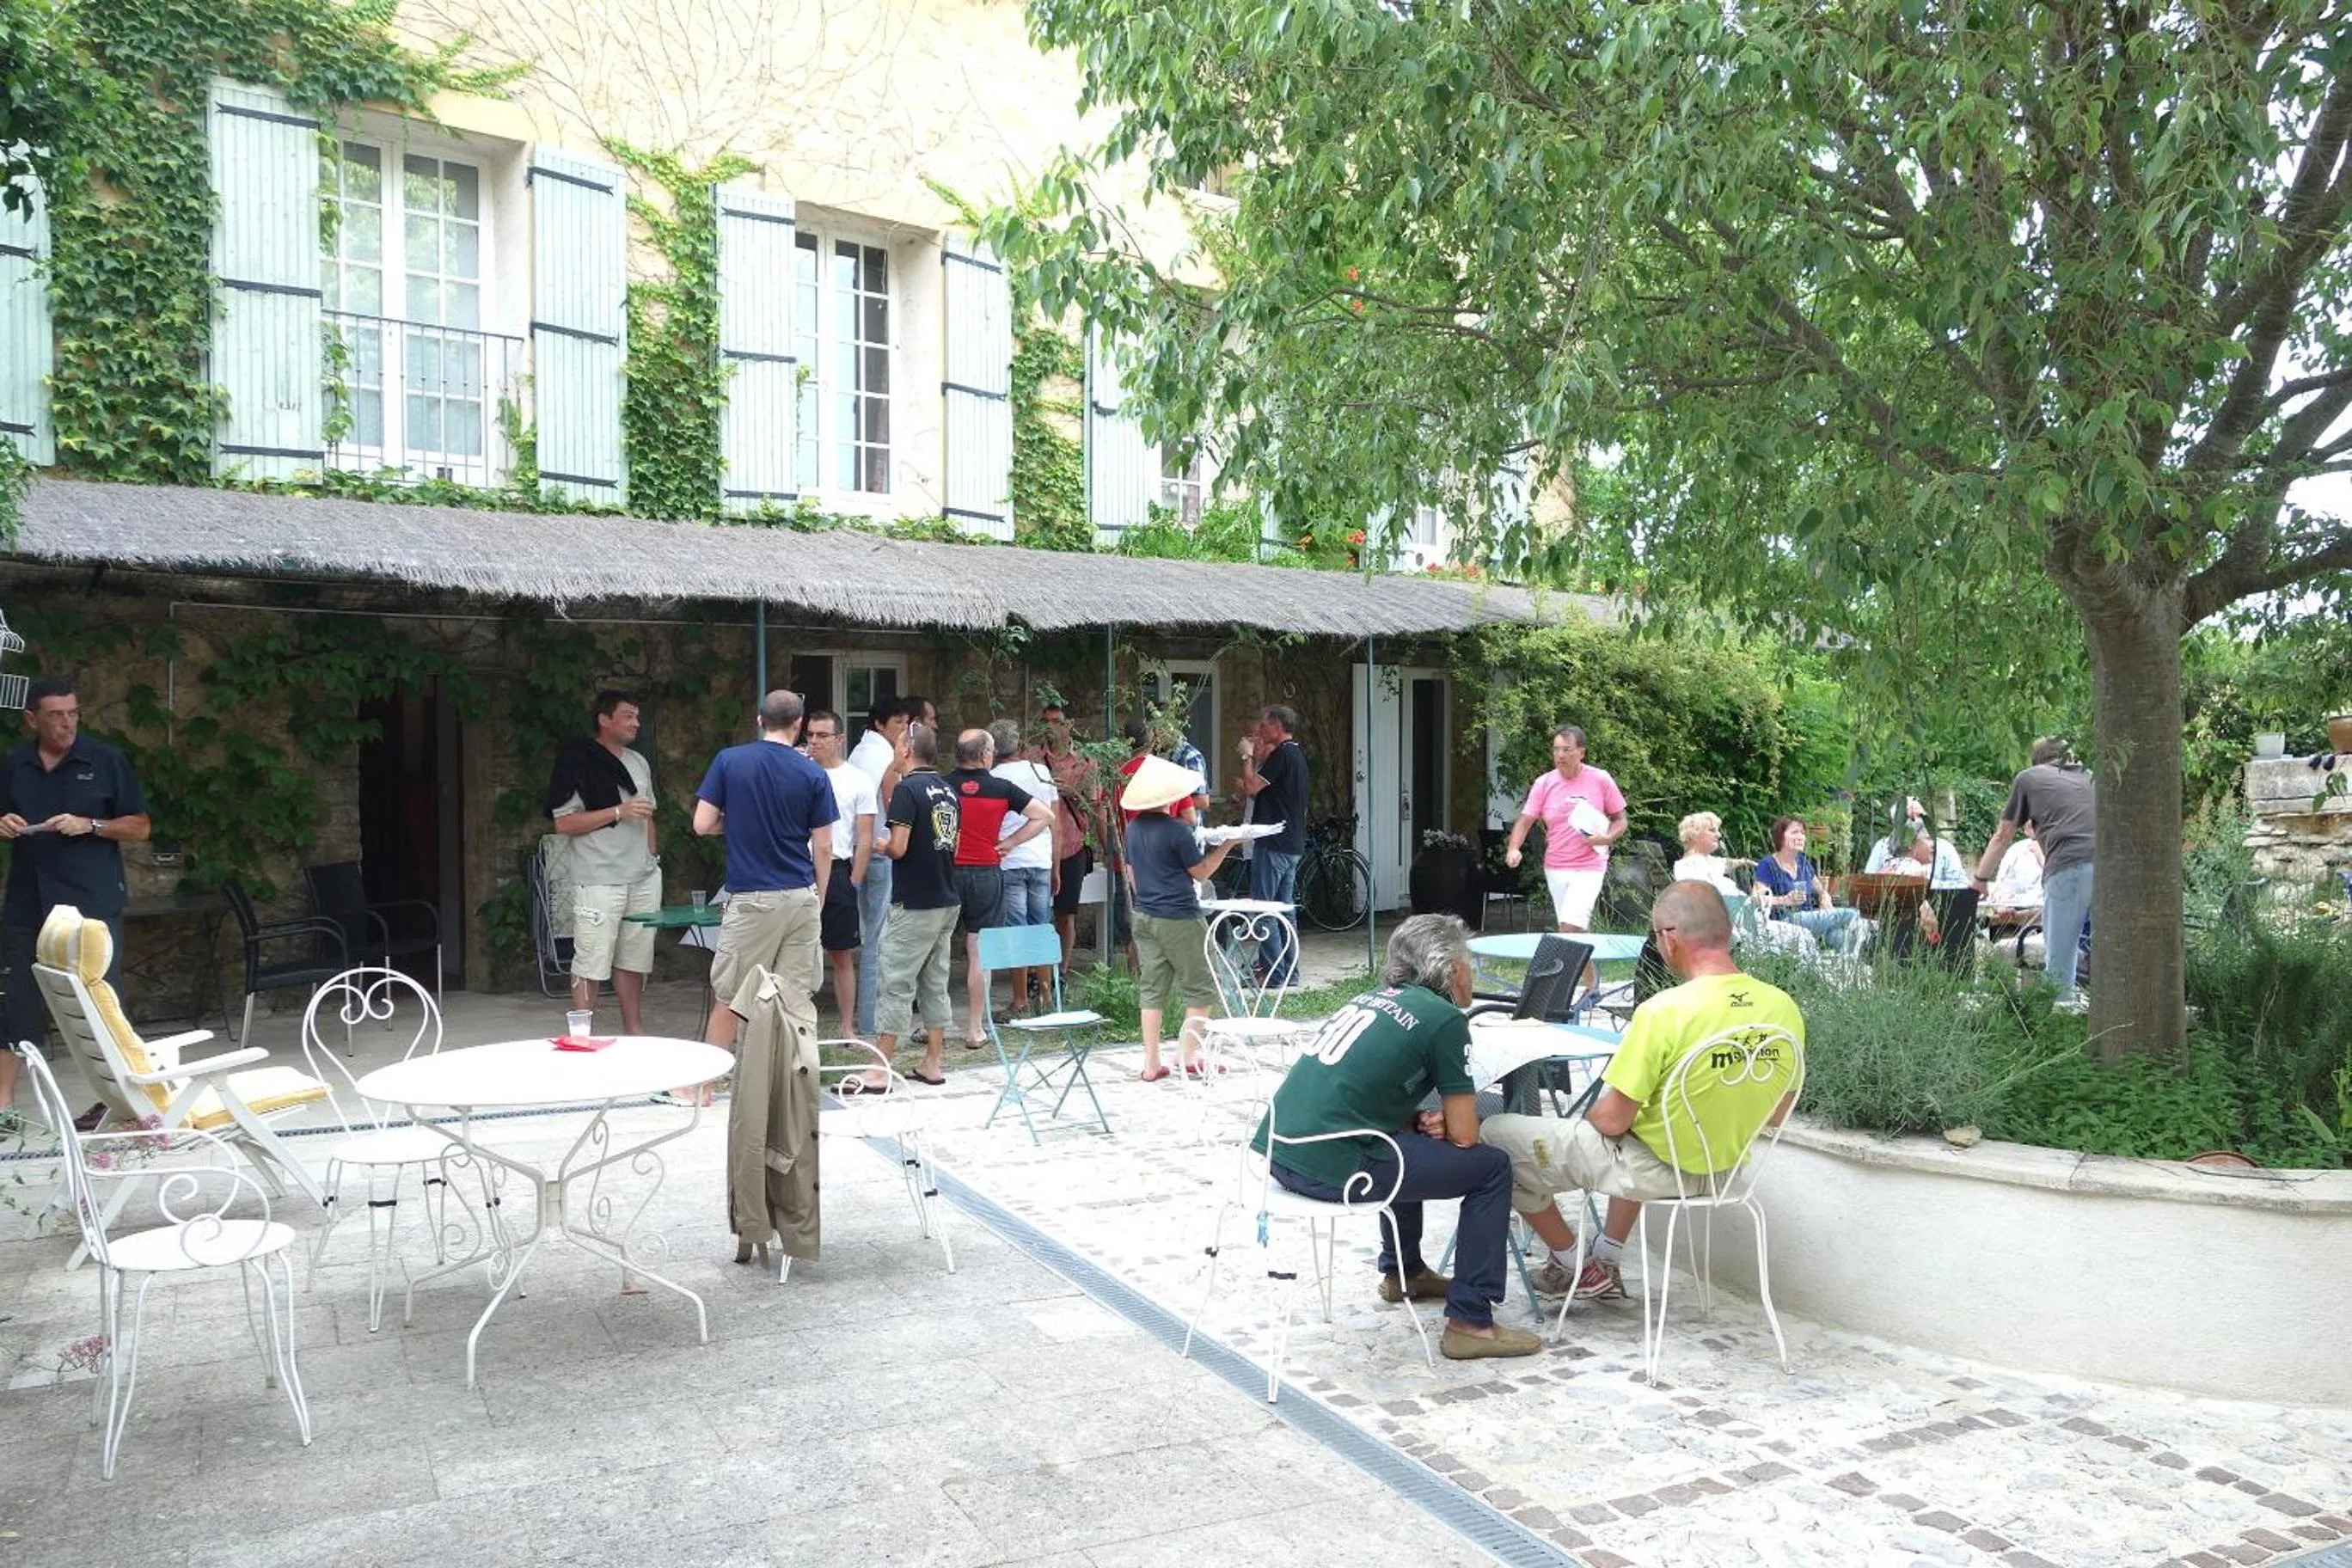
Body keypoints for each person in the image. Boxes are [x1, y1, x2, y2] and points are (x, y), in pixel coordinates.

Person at [1482, 880, 1805, 1302]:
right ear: (1725, 933)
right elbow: (1777, 1117)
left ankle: (1570, 1262)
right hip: (1725, 1172)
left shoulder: (1664, 1011)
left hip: (1651, 1172)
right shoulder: (1783, 1007)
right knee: (1643, 1125)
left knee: (1493, 1136)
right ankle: (1606, 1257)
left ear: (1669, 938)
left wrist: (1597, 1118)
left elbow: (1612, 1119)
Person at [1255, 914, 1540, 1360]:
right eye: (1468, 961)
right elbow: (1467, 1138)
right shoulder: (1444, 1018)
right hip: (1337, 1169)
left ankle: (1404, 1273)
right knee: (1492, 1169)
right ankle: (1470, 1321)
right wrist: (1450, 1123)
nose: (1471, 971)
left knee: (1408, 1148)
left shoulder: (1370, 999)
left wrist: (1423, 1122)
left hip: (1283, 1153)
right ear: (1452, 969)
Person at [0, 679, 150, 1124]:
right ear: (32, 719)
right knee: (13, 1000)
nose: (67, 723)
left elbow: (140, 826)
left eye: (73, 714)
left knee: (101, 1000)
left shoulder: (104, 760)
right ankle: (4, 1104)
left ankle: (118, 1100)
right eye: (56, 715)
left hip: (90, 901)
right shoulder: (15, 765)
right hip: (29, 899)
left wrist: (90, 825)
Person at [693, 691, 836, 1061]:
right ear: (799, 725)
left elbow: (702, 823)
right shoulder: (813, 772)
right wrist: (819, 895)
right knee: (793, 999)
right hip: (801, 895)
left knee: (731, 995)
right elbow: (823, 846)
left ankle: (702, 1089)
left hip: (753, 897)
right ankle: (787, 1087)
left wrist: (739, 823)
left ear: (759, 720)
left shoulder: (729, 761)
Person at [545, 690, 660, 1035]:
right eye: (628, 716)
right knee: (591, 961)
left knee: (634, 960)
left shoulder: (639, 762)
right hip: (599, 878)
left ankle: (634, 1030)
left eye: (637, 717)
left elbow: (649, 814)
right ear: (604, 719)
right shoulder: (577, 760)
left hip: (643, 876)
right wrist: (617, 812)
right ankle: (583, 1037)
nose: (636, 724)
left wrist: (653, 859)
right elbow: (564, 824)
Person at [1121, 756, 1239, 1080]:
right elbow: (1201, 874)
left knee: (1152, 989)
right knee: (1202, 987)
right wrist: (1228, 844)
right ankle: (1188, 1056)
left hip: (1144, 914)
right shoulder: (1177, 831)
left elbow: (1132, 875)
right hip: (1179, 916)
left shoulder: (1132, 829)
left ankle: (1151, 1063)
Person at [943, 730, 1052, 1045]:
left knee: (936, 951)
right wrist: (1009, 843)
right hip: (986, 872)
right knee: (979, 953)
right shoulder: (1001, 788)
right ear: (985, 755)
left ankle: (932, 1025)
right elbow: (1044, 816)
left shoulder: (942, 786)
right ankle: (975, 1029)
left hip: (948, 872)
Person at [1971, 737, 2096, 1000]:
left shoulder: (2029, 778)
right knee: (2109, 955)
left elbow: (2002, 836)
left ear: (2037, 760)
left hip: (2066, 868)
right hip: (2108, 870)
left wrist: (1980, 879)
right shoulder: (2093, 777)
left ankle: (2059, 1029)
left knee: (2059, 965)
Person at [873, 722, 960, 1086]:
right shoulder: (947, 790)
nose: (894, 752)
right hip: (946, 898)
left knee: (895, 981)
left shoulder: (908, 790)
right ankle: (933, 1063)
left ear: (907, 750)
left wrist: (876, 844)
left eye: (896, 746)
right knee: (935, 983)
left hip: (915, 902)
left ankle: (879, 1070)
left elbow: (899, 848)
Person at [805, 708, 875, 1040]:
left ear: (839, 739)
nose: (815, 741)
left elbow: (865, 836)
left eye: (822, 735)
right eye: (810, 735)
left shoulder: (858, 780)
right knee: (796, 951)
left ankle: (847, 1027)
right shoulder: (799, 771)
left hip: (837, 868)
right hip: (798, 868)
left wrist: (854, 880)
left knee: (841, 952)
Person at [847, 696, 913, 1038]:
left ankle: (868, 1016)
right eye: (898, 723)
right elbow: (891, 795)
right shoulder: (883, 755)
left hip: (862, 848)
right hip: (881, 848)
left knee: (870, 934)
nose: (904, 729)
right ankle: (872, 1021)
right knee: (878, 939)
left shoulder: (859, 752)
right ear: (880, 724)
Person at [989, 719, 1058, 1014]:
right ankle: (1045, 995)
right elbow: (1056, 823)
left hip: (1009, 859)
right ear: (1019, 744)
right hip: (1040, 857)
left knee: (1015, 929)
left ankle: (1020, 999)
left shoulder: (992, 776)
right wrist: (1056, 866)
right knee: (1040, 926)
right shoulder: (1041, 772)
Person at [1237, 705, 1308, 984]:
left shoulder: (1282, 755)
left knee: (1264, 909)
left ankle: (1275, 974)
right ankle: (1289, 972)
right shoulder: (1297, 755)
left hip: (1274, 842)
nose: (1261, 731)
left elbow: (1252, 787)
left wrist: (1247, 755)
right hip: (1291, 843)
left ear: (1278, 726)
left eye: (1265, 725)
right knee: (1284, 911)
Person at [1040, 703, 1098, 973]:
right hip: (1039, 844)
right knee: (1037, 916)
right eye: (1046, 722)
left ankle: (1061, 972)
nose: (1050, 728)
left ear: (1069, 724)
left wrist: (1073, 792)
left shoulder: (1085, 760)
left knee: (1065, 915)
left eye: (1056, 721)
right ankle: (1036, 973)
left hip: (1072, 844)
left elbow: (1094, 806)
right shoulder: (1033, 759)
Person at [1752, 816, 1865, 955]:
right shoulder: (1768, 864)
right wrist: (1785, 900)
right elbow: (1756, 898)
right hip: (1785, 921)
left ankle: (1840, 973)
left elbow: (1820, 889)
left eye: (1803, 833)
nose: (1800, 837)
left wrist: (1824, 897)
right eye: (1795, 832)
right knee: (1852, 914)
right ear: (1780, 837)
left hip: (1809, 919)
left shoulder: (1802, 862)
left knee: (1842, 937)